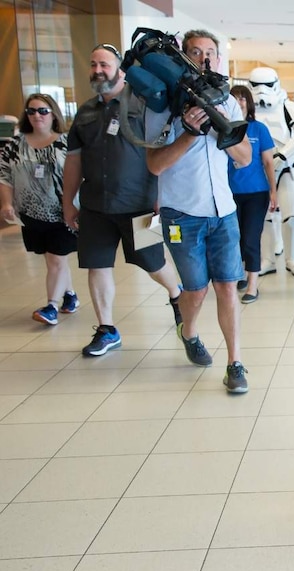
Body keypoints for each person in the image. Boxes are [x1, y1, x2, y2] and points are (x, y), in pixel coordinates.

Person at [144, 29, 252, 394]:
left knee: (226, 286)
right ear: (182, 57)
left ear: (219, 60)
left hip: (223, 211)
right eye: (195, 52)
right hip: (182, 213)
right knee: (196, 288)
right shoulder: (162, 105)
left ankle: (235, 363)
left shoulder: (229, 102)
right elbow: (155, 165)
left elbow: (244, 158)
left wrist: (222, 126)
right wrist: (189, 132)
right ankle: (188, 331)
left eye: (210, 53)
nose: (205, 59)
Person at [62, 44, 183, 356]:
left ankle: (176, 292)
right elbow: (73, 161)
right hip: (95, 206)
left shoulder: (143, 104)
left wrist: (161, 197)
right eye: (93, 64)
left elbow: (161, 154)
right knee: (97, 265)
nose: (98, 70)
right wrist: (67, 202)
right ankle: (107, 328)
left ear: (121, 70)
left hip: (139, 204)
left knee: (153, 262)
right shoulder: (85, 112)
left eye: (104, 64)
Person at [0, 93, 79, 326]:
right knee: (53, 260)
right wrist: (6, 203)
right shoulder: (15, 144)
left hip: (63, 212)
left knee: (56, 259)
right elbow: (4, 176)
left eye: (43, 111)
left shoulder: (66, 142)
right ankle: (70, 295)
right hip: (31, 214)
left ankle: (51, 306)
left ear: (53, 113)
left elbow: (80, 176)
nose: (37, 116)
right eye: (32, 111)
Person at [248, 67, 294, 276]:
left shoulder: (288, 106)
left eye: (267, 85)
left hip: (287, 167)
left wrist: (283, 155)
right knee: (264, 217)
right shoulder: (248, 110)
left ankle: (291, 258)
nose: (261, 90)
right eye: (256, 85)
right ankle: (267, 259)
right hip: (259, 170)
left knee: (292, 216)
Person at [227, 85, 277, 303]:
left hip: (257, 192)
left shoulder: (259, 129)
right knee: (234, 238)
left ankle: (253, 285)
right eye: (234, 98)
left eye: (242, 98)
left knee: (250, 238)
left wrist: (273, 191)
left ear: (248, 102)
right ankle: (241, 275)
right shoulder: (224, 129)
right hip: (229, 193)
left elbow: (268, 162)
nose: (239, 102)